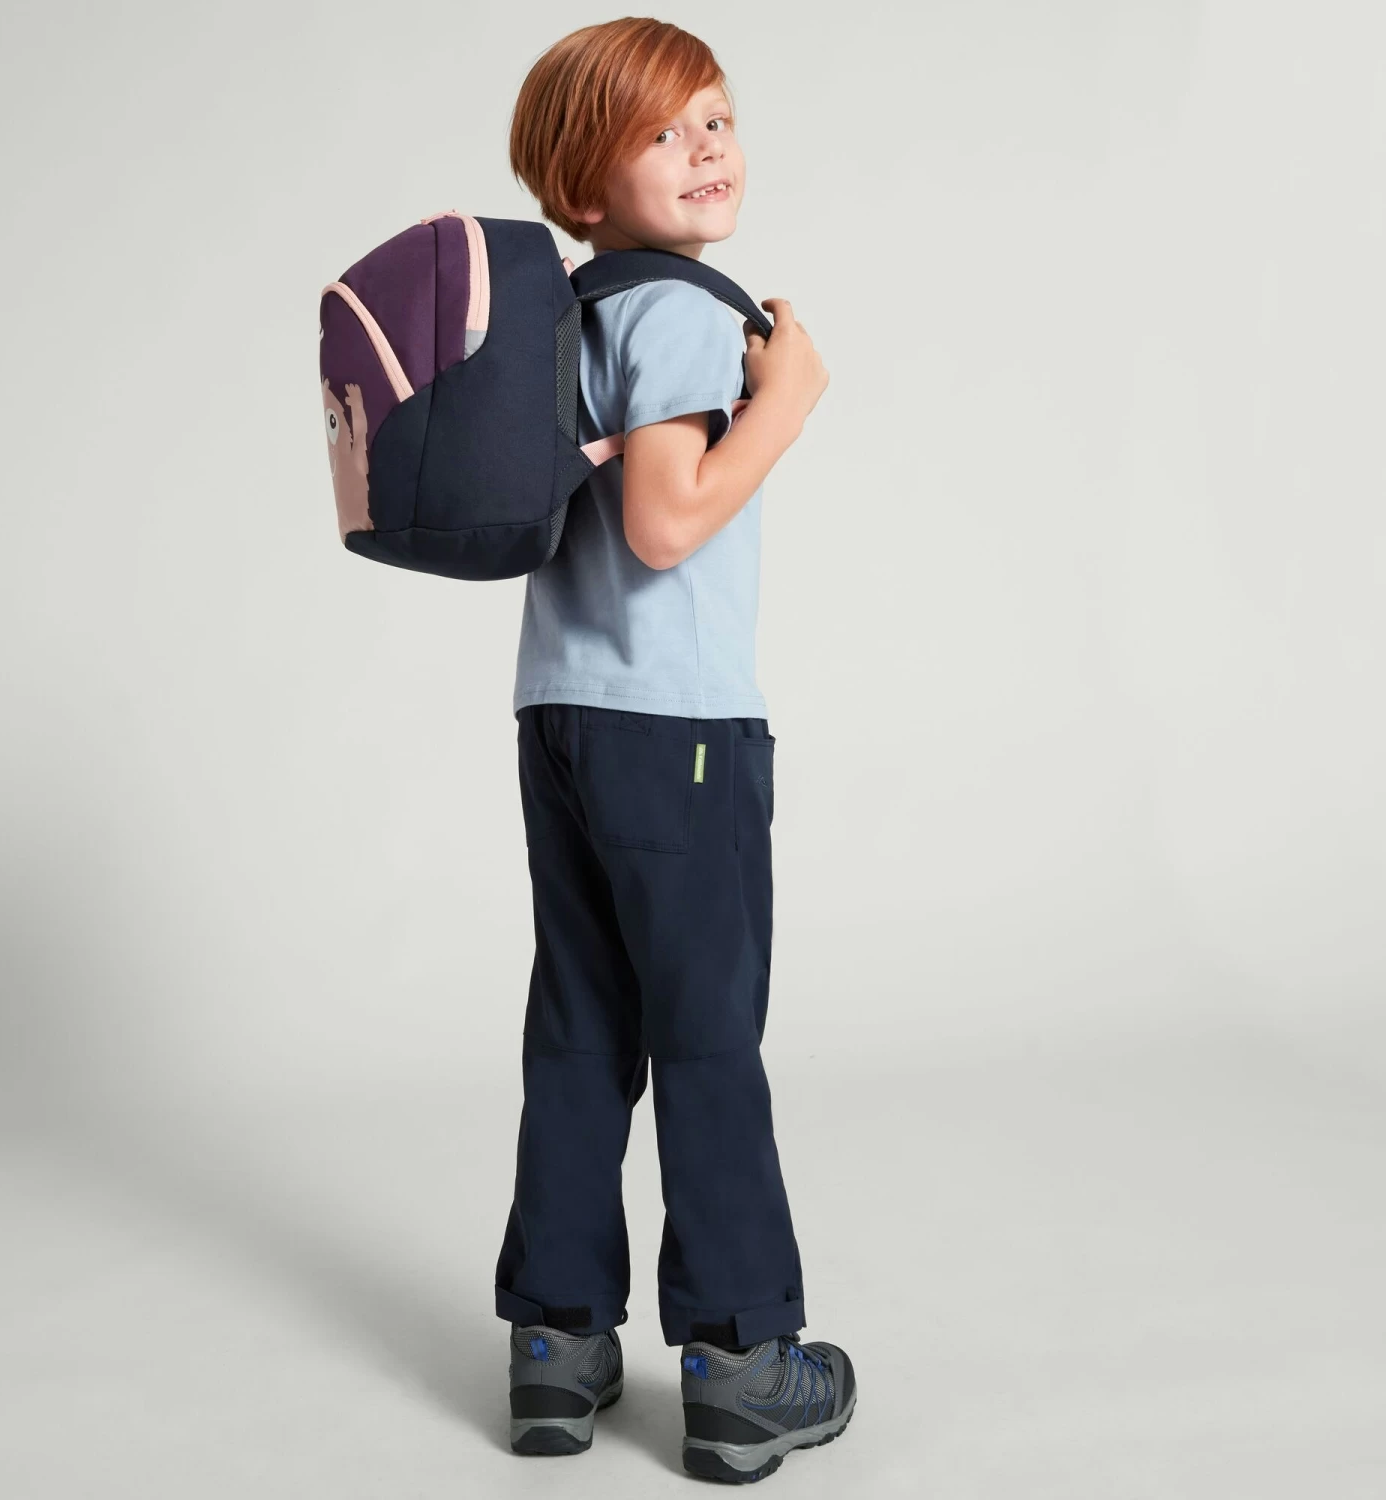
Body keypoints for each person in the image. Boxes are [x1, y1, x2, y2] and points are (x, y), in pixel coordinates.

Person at [497, 19, 854, 1483]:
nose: (707, 147)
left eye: (716, 117)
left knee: (581, 1029)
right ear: (585, 186)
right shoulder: (686, 315)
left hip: (560, 715)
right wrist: (789, 403)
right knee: (706, 1035)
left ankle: (556, 1342)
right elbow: (664, 519)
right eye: (663, 132)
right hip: (677, 733)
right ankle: (743, 1364)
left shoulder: (567, 316)